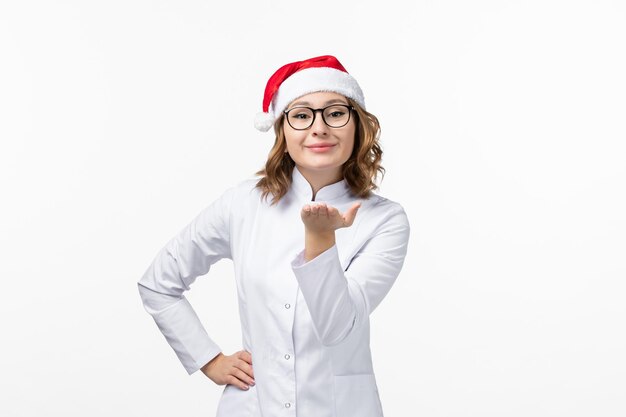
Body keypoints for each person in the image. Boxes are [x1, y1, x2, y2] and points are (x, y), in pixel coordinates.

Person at [138, 55, 411, 417]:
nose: (319, 128)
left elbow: (337, 328)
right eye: (301, 115)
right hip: (253, 406)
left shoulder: (385, 220)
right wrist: (208, 358)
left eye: (335, 113)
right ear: (282, 131)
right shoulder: (243, 203)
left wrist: (320, 240)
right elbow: (159, 283)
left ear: (357, 126)